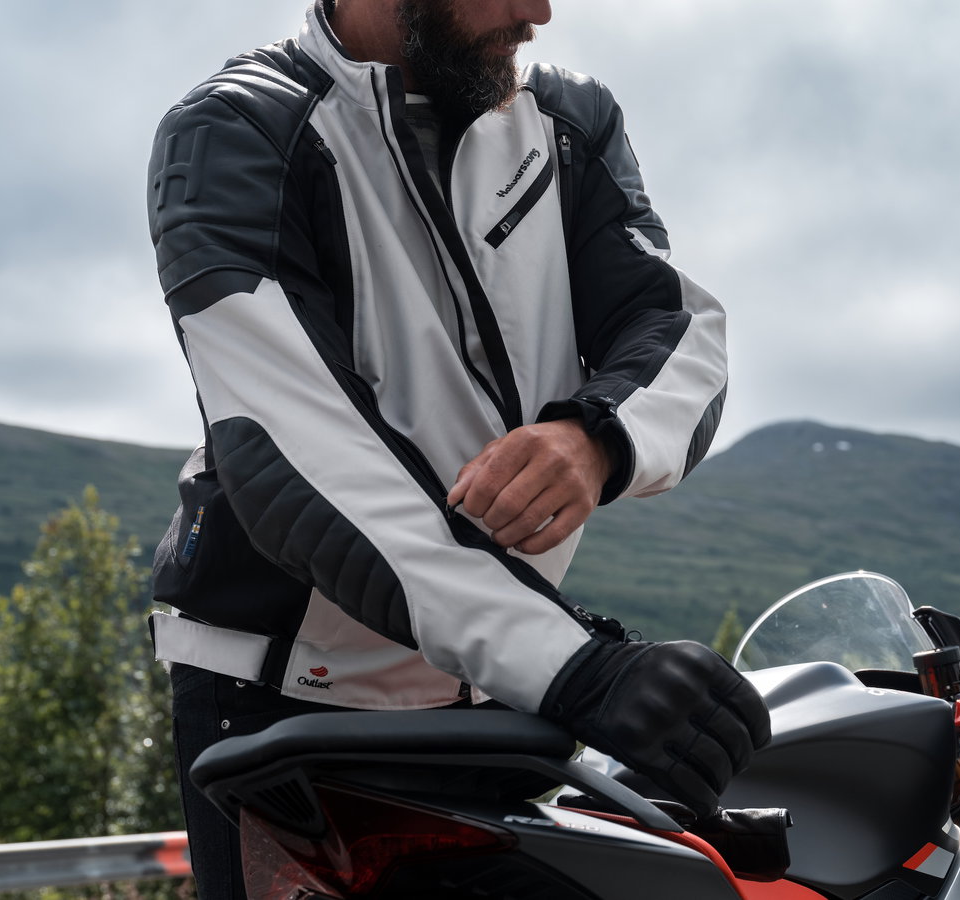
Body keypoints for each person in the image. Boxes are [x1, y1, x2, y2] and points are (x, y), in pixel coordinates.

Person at [144, 1, 769, 896]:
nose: (538, 11)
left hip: (500, 696)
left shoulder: (567, 119)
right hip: (288, 705)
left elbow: (674, 324)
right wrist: (579, 668)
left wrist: (595, 435)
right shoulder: (236, 131)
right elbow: (300, 460)